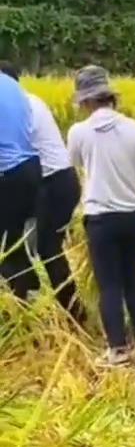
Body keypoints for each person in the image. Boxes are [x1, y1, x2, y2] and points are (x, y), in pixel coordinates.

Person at [67, 65, 135, 362]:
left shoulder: (79, 132)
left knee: (109, 283)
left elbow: (76, 164)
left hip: (100, 218)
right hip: (134, 216)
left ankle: (117, 348)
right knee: (133, 276)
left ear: (86, 101)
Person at [0, 61, 81, 318]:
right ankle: (30, 295)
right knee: (23, 244)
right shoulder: (27, 100)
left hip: (52, 182)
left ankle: (71, 313)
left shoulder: (25, 106)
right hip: (47, 179)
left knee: (45, 250)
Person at [0, 65, 43, 300]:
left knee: (6, 247)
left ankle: (19, 305)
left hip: (8, 175)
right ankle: (29, 296)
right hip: (29, 170)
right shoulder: (10, 84)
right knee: (13, 243)